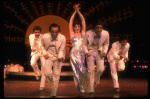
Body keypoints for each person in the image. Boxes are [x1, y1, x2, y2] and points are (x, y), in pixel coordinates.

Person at [82, 20, 109, 98]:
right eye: (97, 28)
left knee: (101, 69)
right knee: (91, 70)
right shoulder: (88, 33)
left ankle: (95, 80)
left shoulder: (106, 33)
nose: (99, 29)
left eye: (100, 28)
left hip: (99, 52)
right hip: (90, 51)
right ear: (94, 28)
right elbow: (84, 45)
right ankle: (91, 89)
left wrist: (104, 51)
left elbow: (106, 44)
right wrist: (86, 52)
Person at [41, 23, 66, 98]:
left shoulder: (62, 37)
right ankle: (54, 84)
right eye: (53, 32)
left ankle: (53, 94)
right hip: (49, 56)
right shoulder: (45, 36)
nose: (54, 33)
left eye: (56, 32)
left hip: (58, 57)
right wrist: (44, 53)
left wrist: (60, 56)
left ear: (58, 32)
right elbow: (42, 46)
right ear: (50, 31)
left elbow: (62, 49)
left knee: (56, 75)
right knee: (47, 73)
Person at [69, 4, 88, 97]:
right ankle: (81, 87)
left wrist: (78, 12)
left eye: (78, 26)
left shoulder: (83, 33)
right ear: (73, 27)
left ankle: (81, 86)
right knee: (76, 71)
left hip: (81, 54)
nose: (77, 28)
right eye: (75, 26)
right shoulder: (72, 33)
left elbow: (83, 21)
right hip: (73, 54)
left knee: (82, 70)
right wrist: (74, 12)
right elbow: (71, 21)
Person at [29, 26, 46, 90]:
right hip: (35, 52)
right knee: (32, 63)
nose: (37, 33)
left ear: (40, 32)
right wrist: (32, 49)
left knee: (44, 68)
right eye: (36, 32)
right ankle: (38, 73)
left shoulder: (43, 36)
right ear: (34, 32)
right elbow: (31, 44)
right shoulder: (31, 36)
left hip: (42, 53)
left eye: (38, 32)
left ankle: (42, 85)